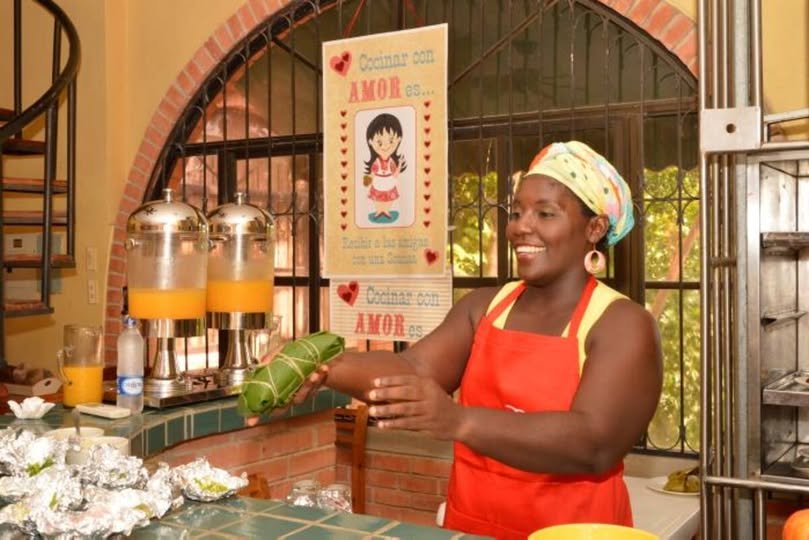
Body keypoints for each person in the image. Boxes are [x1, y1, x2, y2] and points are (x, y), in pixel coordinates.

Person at [294, 141, 662, 539]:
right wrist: (317, 363)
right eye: (516, 212)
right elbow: (413, 369)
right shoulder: (484, 307)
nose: (521, 227)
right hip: (471, 528)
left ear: (594, 229)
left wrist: (459, 420)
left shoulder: (623, 324)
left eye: (545, 213)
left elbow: (594, 443)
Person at [362, 113, 406, 223]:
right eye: (379, 142)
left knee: (389, 198)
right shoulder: (376, 163)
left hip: (389, 183)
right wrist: (366, 182)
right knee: (377, 198)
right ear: (371, 142)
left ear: (398, 139)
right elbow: (372, 173)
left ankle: (386, 211)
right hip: (378, 183)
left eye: (391, 141)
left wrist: (400, 165)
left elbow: (395, 174)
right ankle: (378, 211)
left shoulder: (391, 162)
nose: (386, 146)